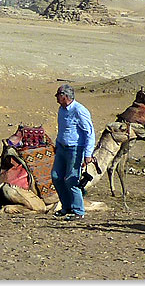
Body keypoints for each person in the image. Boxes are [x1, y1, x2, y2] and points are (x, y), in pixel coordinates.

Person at [50, 83, 95, 219]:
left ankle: (78, 211)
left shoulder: (79, 110)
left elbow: (89, 132)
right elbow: (63, 129)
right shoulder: (61, 110)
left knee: (71, 179)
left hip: (75, 148)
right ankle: (66, 206)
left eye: (58, 94)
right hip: (62, 147)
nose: (56, 97)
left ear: (65, 96)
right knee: (56, 176)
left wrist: (88, 153)